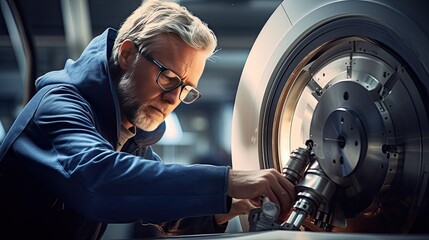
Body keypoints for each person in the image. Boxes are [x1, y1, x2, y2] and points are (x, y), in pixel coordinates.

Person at [0, 0, 295, 239]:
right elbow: (100, 182)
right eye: (168, 77)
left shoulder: (126, 134)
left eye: (186, 89)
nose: (173, 99)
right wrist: (229, 181)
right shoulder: (58, 105)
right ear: (127, 54)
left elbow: (167, 208)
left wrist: (231, 205)